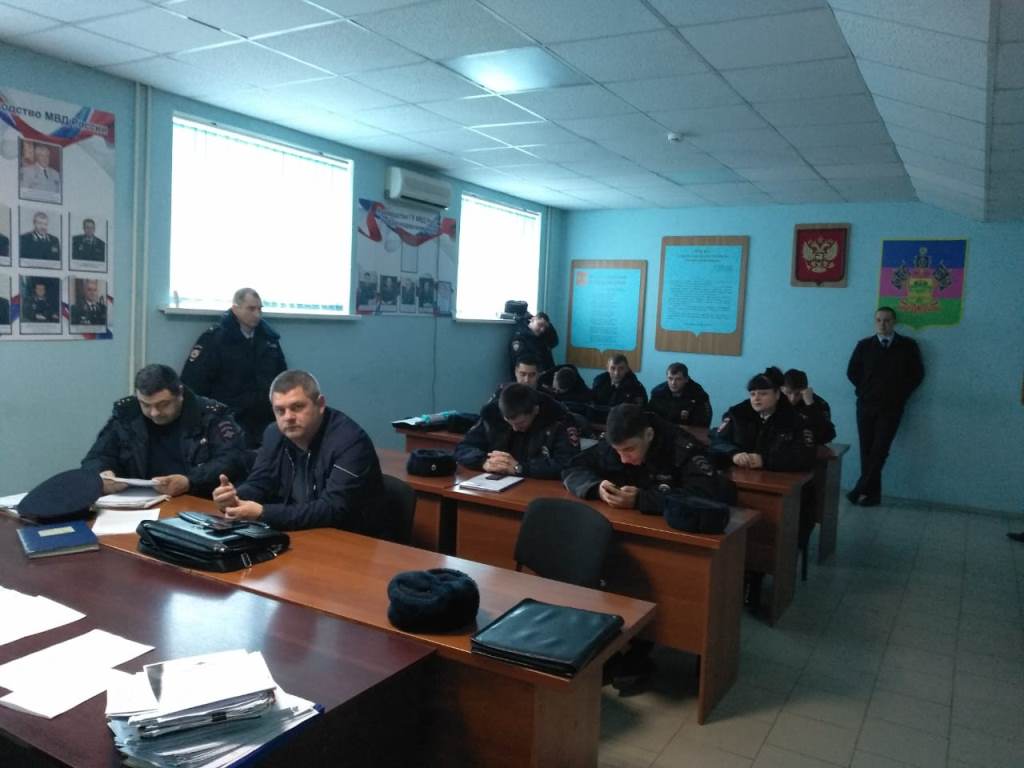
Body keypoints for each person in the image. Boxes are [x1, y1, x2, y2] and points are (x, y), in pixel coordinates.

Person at [211, 369, 392, 537]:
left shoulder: (350, 442)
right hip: (301, 531)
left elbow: (333, 509)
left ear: (320, 404)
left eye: (297, 407)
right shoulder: (274, 433)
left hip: (352, 539)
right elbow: (260, 482)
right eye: (280, 410)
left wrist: (263, 513)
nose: (288, 417)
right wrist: (234, 498)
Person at [81, 364, 246, 498]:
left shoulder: (210, 415)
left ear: (180, 393)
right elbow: (96, 457)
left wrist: (190, 481)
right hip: (140, 501)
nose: (154, 413)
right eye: (146, 405)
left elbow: (233, 459)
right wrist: (102, 473)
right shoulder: (127, 414)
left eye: (163, 404)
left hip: (196, 499)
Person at [563, 404, 727, 513]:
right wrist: (597, 488)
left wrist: (641, 500)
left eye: (629, 449)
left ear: (649, 435)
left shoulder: (682, 447)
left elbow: (704, 496)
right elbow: (572, 468)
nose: (623, 459)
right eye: (618, 451)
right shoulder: (614, 443)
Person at [181, 288, 287, 449]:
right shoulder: (215, 339)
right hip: (228, 419)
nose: (257, 314)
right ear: (235, 308)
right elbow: (193, 382)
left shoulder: (269, 340)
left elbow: (282, 379)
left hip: (264, 417)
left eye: (260, 309)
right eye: (251, 309)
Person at [846, 307, 925, 506]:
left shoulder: (907, 346)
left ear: (894, 322)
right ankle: (872, 495)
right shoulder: (864, 345)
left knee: (880, 449)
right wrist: (864, 390)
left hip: (892, 407)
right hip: (866, 405)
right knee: (866, 449)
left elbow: (917, 374)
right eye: (879, 320)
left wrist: (901, 395)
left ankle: (859, 489)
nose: (883, 324)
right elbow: (852, 372)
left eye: (887, 320)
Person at [454, 383, 577, 479]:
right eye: (509, 422)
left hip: (539, 487)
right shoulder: (492, 416)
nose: (515, 428)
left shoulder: (559, 421)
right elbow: (463, 448)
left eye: (521, 423)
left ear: (535, 411)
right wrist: (484, 462)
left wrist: (520, 468)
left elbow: (568, 464)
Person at [709, 371, 817, 472]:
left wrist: (764, 460)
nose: (756, 398)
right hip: (739, 474)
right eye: (752, 394)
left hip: (778, 478)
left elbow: (805, 457)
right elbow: (718, 440)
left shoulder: (795, 420)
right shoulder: (737, 414)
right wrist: (734, 454)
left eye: (763, 394)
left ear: (777, 394)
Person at [648, 362, 712, 427]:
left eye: (678, 379)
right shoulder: (658, 393)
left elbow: (705, 422)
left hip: (689, 430)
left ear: (686, 379)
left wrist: (689, 417)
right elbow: (650, 416)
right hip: (662, 429)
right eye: (670, 378)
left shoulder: (699, 394)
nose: (673, 383)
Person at [781, 369, 836, 445]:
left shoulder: (819, 404)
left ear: (805, 390)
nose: (792, 398)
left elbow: (828, 434)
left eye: (798, 394)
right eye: (788, 393)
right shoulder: (775, 401)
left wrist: (811, 406)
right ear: (781, 389)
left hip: (811, 448)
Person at [509, 311, 557, 376]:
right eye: (540, 325)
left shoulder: (541, 338)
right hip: (529, 377)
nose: (542, 330)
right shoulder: (520, 338)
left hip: (544, 375)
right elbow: (522, 365)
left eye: (545, 327)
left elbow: (554, 342)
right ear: (532, 320)